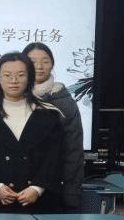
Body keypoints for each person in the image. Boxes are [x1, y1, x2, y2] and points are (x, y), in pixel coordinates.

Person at [0, 52, 65, 214]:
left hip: (39, 203)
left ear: (29, 78)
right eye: (7, 75)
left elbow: (55, 157)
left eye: (21, 75)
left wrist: (37, 189)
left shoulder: (48, 113)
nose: (14, 80)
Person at [23, 42, 84, 210]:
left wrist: (71, 194)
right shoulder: (11, 98)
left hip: (52, 188)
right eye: (33, 61)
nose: (39, 66)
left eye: (45, 61)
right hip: (14, 189)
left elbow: (73, 150)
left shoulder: (64, 102)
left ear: (52, 64)